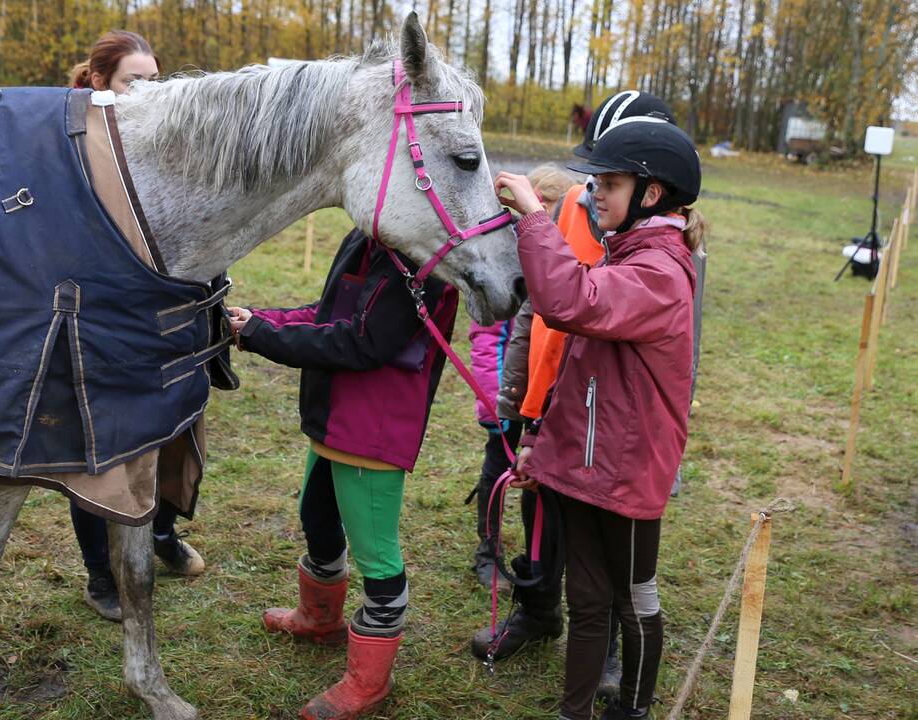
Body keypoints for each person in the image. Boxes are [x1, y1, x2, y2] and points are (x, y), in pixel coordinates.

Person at [494, 119, 706, 719]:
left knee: (633, 601)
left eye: (608, 183)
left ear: (652, 194)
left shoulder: (660, 273)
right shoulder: (626, 254)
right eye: (594, 183)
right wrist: (539, 439)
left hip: (629, 472)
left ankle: (630, 712)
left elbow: (567, 304)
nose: (594, 195)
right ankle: (574, 713)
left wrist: (535, 215)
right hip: (583, 460)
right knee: (588, 602)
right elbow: (577, 366)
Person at [227, 228, 458, 720]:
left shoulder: (423, 263)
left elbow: (362, 342)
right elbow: (328, 312)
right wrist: (260, 319)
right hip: (333, 416)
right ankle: (319, 618)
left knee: (378, 558)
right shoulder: (366, 239)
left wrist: (260, 334)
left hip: (371, 430)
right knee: (317, 516)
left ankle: (369, 681)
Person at [67, 30, 203, 623]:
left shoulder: (168, 143)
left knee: (173, 436)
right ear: (100, 82)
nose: (147, 93)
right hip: (100, 320)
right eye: (133, 82)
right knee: (100, 453)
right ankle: (101, 572)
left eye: (154, 81)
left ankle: (160, 535)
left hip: (168, 317)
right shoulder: (71, 144)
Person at [468, 165, 574, 593]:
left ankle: (536, 557)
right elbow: (486, 338)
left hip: (544, 406)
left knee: (539, 483)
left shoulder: (566, 263)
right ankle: (487, 550)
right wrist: (496, 401)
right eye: (542, 208)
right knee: (497, 470)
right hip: (508, 402)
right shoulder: (513, 264)